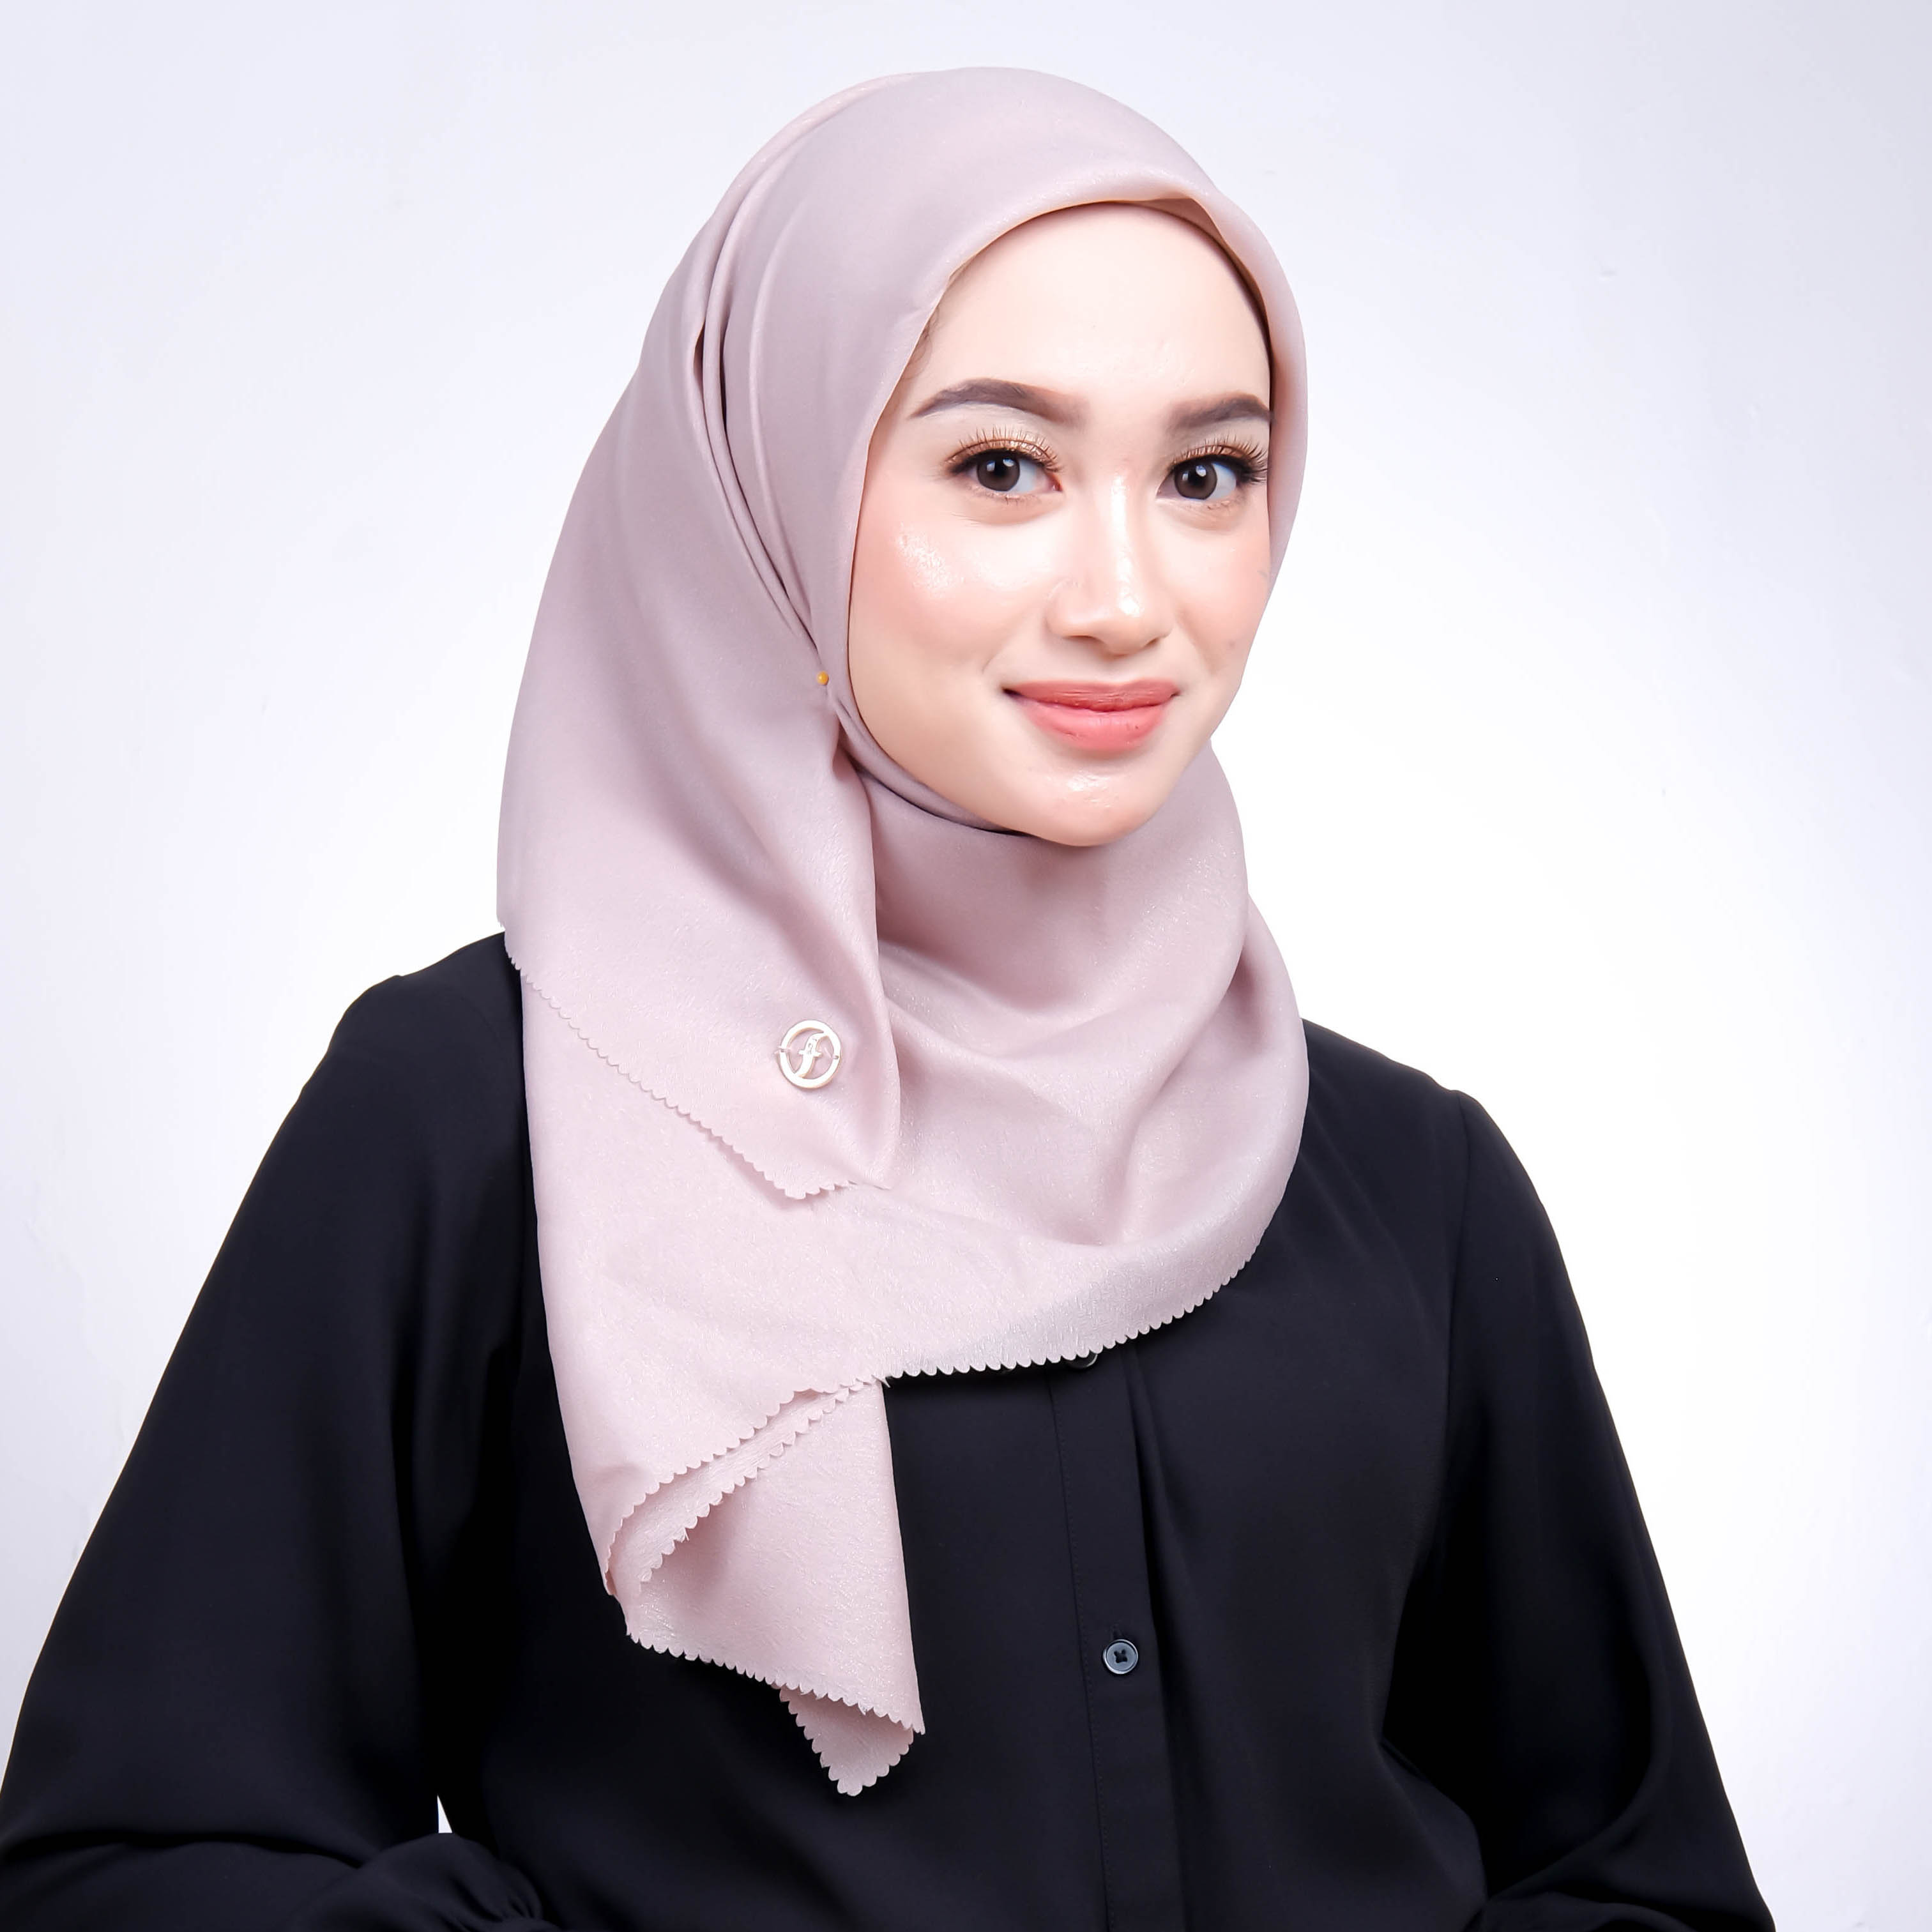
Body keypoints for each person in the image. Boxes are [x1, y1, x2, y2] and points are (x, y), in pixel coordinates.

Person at [0, 68, 1772, 1932]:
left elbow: (1635, 1889)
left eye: (1205, 475)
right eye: (1000, 467)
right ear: (767, 481)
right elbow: (131, 1868)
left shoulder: (1412, 1185)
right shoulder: (480, 1114)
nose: (1123, 598)